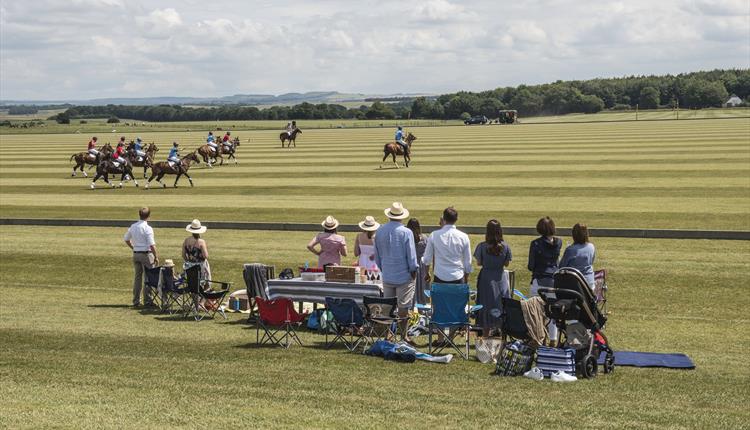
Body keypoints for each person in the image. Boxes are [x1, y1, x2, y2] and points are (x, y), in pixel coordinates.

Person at [374, 202, 418, 343]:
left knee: (388, 307)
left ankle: (388, 334)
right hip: (404, 275)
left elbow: (377, 256)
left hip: (388, 274)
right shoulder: (406, 232)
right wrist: (413, 270)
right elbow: (411, 256)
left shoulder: (380, 231)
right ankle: (403, 335)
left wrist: (384, 268)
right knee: (403, 307)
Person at [474, 219, 512, 337]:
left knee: (485, 304)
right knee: (500, 303)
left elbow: (479, 262)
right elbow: (506, 264)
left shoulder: (481, 246)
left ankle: (485, 334)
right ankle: (500, 332)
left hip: (486, 279)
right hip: (500, 278)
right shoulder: (505, 247)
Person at [527, 216, 562, 343]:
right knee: (552, 311)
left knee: (535, 310)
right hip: (553, 281)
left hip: (539, 279)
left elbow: (531, 265)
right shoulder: (559, 242)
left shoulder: (535, 244)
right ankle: (553, 338)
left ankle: (537, 337)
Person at [422, 207, 472, 284]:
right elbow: (468, 262)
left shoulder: (434, 235)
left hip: (440, 276)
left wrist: (427, 272)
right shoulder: (464, 236)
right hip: (457, 277)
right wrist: (466, 278)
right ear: (456, 219)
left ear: (444, 219)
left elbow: (427, 259)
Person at [124, 207, 159, 307]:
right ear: (148, 216)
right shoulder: (147, 228)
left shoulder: (133, 226)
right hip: (146, 254)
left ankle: (136, 301)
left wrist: (133, 247)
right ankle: (147, 301)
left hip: (136, 254)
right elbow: (152, 245)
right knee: (148, 278)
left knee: (137, 278)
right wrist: (156, 256)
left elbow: (126, 239)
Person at [560, 223, 596, 290]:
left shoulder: (570, 250)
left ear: (574, 235)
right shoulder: (591, 246)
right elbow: (591, 261)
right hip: (590, 282)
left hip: (574, 284)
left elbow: (562, 267)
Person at [407, 218, 429, 307]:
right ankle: (421, 307)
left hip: (410, 264)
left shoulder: (407, 237)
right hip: (421, 264)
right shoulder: (424, 238)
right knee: (421, 287)